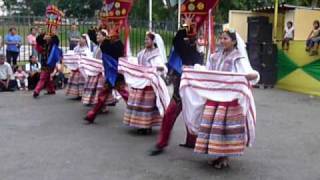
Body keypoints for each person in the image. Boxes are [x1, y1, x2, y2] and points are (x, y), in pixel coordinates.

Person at [189, 29, 259, 169]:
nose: (222, 41)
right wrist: (195, 69)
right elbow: (208, 71)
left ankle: (224, 157)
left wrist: (252, 75)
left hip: (229, 100)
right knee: (213, 128)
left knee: (224, 129)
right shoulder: (214, 56)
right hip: (214, 97)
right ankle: (216, 155)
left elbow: (246, 72)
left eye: (225, 38)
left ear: (233, 41)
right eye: (221, 38)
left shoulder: (238, 57)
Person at [149, 27, 203, 155]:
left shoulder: (198, 49)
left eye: (196, 34)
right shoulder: (184, 47)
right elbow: (177, 43)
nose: (195, 37)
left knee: (192, 114)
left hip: (195, 89)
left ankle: (192, 140)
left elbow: (192, 57)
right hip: (181, 89)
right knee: (169, 114)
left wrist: (191, 36)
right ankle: (161, 143)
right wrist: (187, 30)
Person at [122, 32, 167, 134]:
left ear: (153, 41)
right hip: (140, 81)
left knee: (147, 105)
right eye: (145, 39)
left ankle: (147, 126)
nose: (145, 41)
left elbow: (162, 67)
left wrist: (153, 68)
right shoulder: (141, 53)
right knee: (138, 103)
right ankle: (140, 124)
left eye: (148, 39)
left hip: (149, 83)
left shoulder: (156, 54)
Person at [84, 28, 128, 123]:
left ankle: (136, 111)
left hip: (117, 75)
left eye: (112, 33)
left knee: (126, 96)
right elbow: (99, 43)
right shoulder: (107, 44)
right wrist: (93, 31)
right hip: (110, 76)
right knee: (102, 96)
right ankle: (92, 115)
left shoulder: (119, 45)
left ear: (116, 35)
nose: (110, 34)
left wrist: (106, 40)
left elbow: (111, 51)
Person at [33, 32, 60, 98]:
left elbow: (56, 40)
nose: (46, 37)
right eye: (45, 36)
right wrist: (42, 34)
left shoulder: (53, 44)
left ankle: (36, 91)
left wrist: (54, 35)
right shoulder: (43, 43)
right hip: (44, 63)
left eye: (48, 36)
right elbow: (38, 40)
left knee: (43, 77)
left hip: (51, 63)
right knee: (47, 77)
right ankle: (51, 90)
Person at [64, 34, 90, 98]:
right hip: (76, 67)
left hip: (83, 68)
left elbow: (88, 57)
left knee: (81, 80)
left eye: (82, 39)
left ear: (85, 40)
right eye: (80, 38)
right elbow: (73, 55)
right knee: (75, 80)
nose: (80, 40)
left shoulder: (87, 49)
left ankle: (82, 93)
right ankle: (76, 93)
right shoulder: (76, 48)